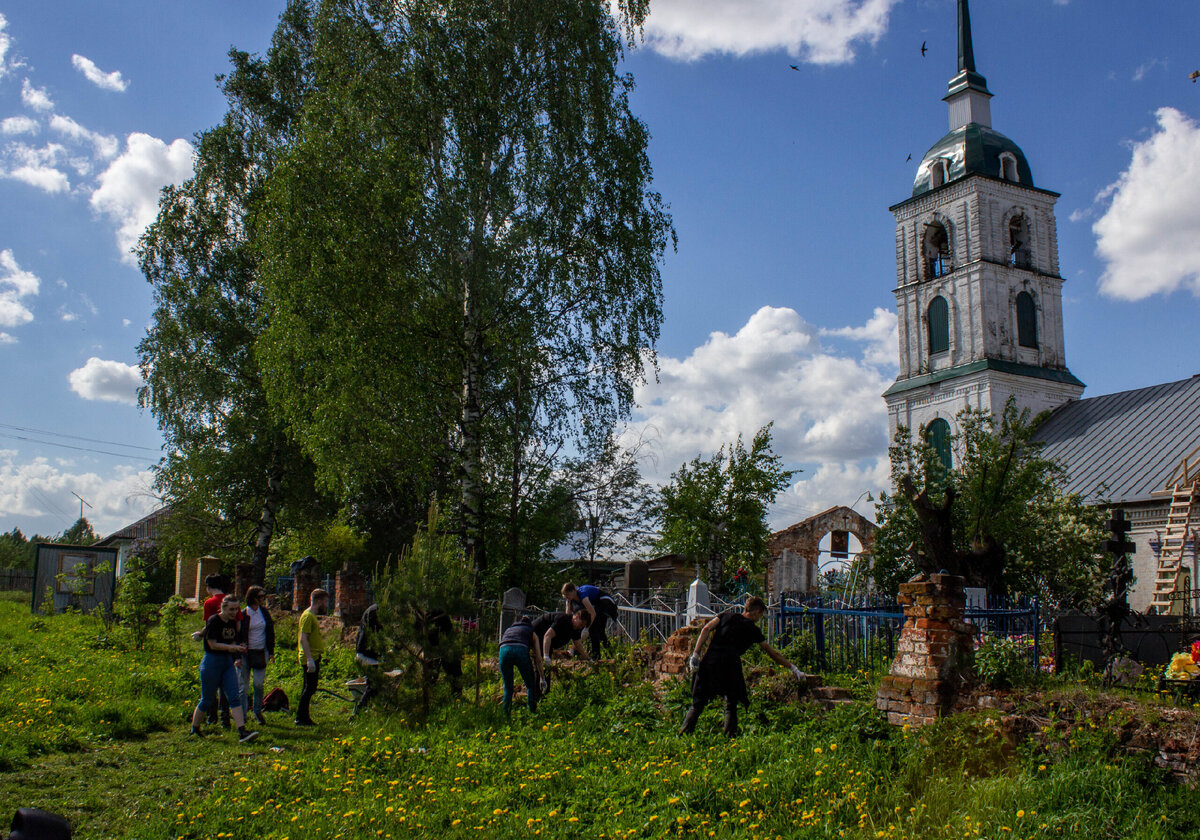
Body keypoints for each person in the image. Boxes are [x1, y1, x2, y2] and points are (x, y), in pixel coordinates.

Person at [681, 596, 806, 737]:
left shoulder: (726, 616)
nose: (760, 618)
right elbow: (773, 654)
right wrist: (793, 668)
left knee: (698, 703)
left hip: (711, 661)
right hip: (730, 665)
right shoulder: (752, 629)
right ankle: (729, 737)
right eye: (760, 615)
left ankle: (684, 735)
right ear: (757, 611)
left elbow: (706, 629)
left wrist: (696, 655)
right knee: (731, 703)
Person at [190, 594, 259, 743]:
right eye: (231, 609)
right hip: (212, 662)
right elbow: (212, 644)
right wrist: (231, 647)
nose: (234, 612)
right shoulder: (214, 620)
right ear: (223, 608)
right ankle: (195, 728)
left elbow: (233, 640)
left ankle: (242, 731)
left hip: (227, 662)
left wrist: (239, 649)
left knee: (234, 696)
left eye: (236, 609)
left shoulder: (233, 623)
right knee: (207, 699)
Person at [192, 574, 237, 728]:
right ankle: (226, 718)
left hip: (214, 650)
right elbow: (237, 626)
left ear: (208, 587)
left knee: (210, 692)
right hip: (229, 648)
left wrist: (200, 634)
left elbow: (210, 626)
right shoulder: (232, 600)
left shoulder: (210, 603)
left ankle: (211, 718)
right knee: (228, 689)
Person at [239, 585, 275, 725]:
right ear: (252, 597)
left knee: (258, 683)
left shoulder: (264, 613)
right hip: (246, 653)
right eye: (260, 597)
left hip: (261, 651)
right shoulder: (243, 614)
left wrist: (271, 651)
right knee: (243, 686)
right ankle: (242, 714)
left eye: (263, 596)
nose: (262, 599)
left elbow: (270, 631)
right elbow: (239, 633)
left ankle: (257, 711)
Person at [295, 589, 329, 727]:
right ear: (319, 601)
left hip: (314, 656)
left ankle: (303, 716)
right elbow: (304, 639)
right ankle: (300, 717)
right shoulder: (308, 616)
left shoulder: (311, 616)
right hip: (310, 657)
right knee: (310, 688)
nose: (327, 604)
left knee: (309, 687)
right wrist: (309, 659)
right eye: (326, 601)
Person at [497, 615, 544, 715]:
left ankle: (506, 716)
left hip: (504, 650)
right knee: (530, 685)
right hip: (520, 650)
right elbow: (538, 658)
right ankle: (532, 713)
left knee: (508, 687)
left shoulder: (509, 629)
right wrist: (542, 677)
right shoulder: (532, 632)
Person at [561, 582, 619, 658]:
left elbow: (592, 613)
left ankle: (596, 656)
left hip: (605, 602)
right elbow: (568, 616)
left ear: (573, 591)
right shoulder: (570, 599)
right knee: (600, 632)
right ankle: (610, 653)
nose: (567, 597)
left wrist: (586, 628)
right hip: (596, 605)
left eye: (567, 595)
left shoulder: (582, 594)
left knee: (593, 628)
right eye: (565, 596)